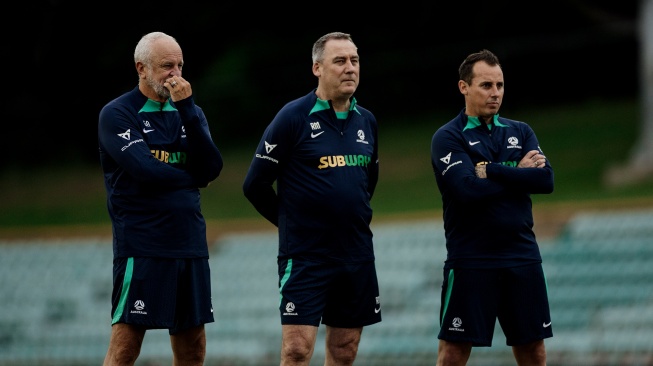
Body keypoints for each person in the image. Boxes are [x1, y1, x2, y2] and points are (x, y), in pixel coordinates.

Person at [242, 31, 381, 366]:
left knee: (345, 350)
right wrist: (291, 222)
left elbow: (366, 182)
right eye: (340, 61)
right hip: (306, 256)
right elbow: (254, 185)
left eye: (355, 60)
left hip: (356, 253)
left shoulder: (368, 121)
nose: (350, 68)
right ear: (317, 68)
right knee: (297, 350)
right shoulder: (292, 117)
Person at [98, 31, 223, 366]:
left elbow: (212, 167)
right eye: (168, 65)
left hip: (190, 241)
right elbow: (146, 171)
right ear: (142, 68)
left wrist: (187, 109)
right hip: (143, 243)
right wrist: (193, 179)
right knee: (126, 346)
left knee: (192, 347)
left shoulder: (190, 112)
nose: (176, 74)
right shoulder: (118, 114)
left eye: (180, 65)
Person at [430, 49, 554, 366]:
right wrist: (519, 174)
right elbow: (467, 190)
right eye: (486, 85)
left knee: (534, 352)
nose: (495, 93)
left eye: (499, 85)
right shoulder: (448, 137)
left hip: (521, 255)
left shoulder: (521, 131)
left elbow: (545, 181)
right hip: (471, 258)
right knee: (453, 354)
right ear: (464, 87)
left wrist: (493, 170)